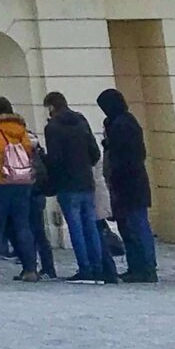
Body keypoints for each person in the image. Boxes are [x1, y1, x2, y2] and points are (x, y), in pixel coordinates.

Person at [36, 91, 113, 282]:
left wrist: (42, 158)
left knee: (76, 228)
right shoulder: (81, 120)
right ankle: (98, 267)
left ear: (51, 107)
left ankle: (85, 268)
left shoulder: (53, 127)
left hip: (67, 183)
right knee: (91, 226)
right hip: (86, 181)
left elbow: (54, 159)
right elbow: (94, 153)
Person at [0, 97, 50, 281]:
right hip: (23, 182)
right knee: (23, 225)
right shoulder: (22, 131)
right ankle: (30, 269)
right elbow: (29, 151)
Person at [97, 87, 159, 282]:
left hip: (129, 184)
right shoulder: (122, 122)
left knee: (137, 227)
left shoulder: (122, 125)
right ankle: (138, 267)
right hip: (129, 183)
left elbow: (125, 156)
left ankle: (146, 268)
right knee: (130, 228)